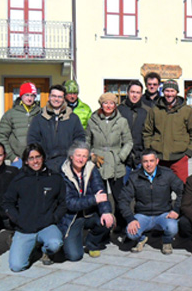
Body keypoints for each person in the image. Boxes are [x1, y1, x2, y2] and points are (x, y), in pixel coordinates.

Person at [3, 144, 66, 272]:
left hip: (46, 225)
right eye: (31, 158)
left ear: (43, 158)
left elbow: (63, 202)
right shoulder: (19, 179)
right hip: (25, 227)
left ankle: (45, 251)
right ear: (26, 161)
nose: (35, 161)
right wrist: (17, 219)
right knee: (17, 266)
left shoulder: (54, 178)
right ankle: (27, 247)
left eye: (38, 157)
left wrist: (54, 217)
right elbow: (7, 202)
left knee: (55, 244)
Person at [118, 149, 183, 255]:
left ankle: (166, 241)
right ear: (141, 163)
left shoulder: (167, 174)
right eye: (145, 161)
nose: (149, 165)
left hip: (164, 214)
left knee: (173, 227)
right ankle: (142, 239)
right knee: (131, 233)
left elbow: (183, 191)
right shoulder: (134, 177)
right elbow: (123, 200)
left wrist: (176, 210)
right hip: (143, 215)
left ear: (157, 161)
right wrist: (130, 218)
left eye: (151, 161)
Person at [85, 92, 133, 236]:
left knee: (119, 197)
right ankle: (101, 227)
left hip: (115, 161)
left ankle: (121, 224)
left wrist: (120, 156)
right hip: (98, 162)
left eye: (111, 103)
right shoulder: (93, 120)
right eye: (106, 103)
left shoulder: (121, 121)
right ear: (101, 104)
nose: (109, 106)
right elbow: (87, 141)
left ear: (115, 105)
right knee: (100, 195)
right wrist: (91, 155)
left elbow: (128, 141)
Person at [59, 141, 114, 261]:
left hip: (89, 213)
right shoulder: (63, 172)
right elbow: (70, 203)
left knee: (109, 220)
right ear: (71, 156)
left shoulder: (91, 169)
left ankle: (92, 244)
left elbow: (101, 192)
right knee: (74, 256)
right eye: (78, 155)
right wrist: (94, 199)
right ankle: (67, 241)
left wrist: (106, 212)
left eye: (84, 156)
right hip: (72, 217)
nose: (81, 159)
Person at [143, 79, 192, 183]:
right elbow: (147, 131)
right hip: (159, 158)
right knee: (160, 189)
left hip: (180, 157)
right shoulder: (155, 110)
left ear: (177, 92)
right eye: (167, 91)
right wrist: (149, 151)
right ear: (163, 92)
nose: (169, 94)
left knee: (182, 189)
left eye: (172, 91)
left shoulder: (186, 111)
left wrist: (189, 152)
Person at [27, 84, 86, 172]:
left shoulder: (73, 118)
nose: (56, 99)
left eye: (59, 97)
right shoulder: (39, 119)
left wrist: (72, 156)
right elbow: (32, 140)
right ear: (49, 97)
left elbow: (80, 139)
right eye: (54, 96)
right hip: (45, 164)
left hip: (68, 164)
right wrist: (41, 157)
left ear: (64, 98)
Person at [0, 82, 41, 168]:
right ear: (21, 96)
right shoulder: (11, 114)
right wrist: (12, 157)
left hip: (37, 159)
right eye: (27, 95)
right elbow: (1, 136)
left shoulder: (40, 113)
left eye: (32, 95)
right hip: (19, 159)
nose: (30, 98)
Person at [117, 80, 150, 183]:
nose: (135, 95)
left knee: (141, 189)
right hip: (123, 157)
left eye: (137, 92)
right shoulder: (119, 110)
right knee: (122, 190)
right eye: (132, 92)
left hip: (140, 156)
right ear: (127, 93)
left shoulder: (147, 111)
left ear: (141, 94)